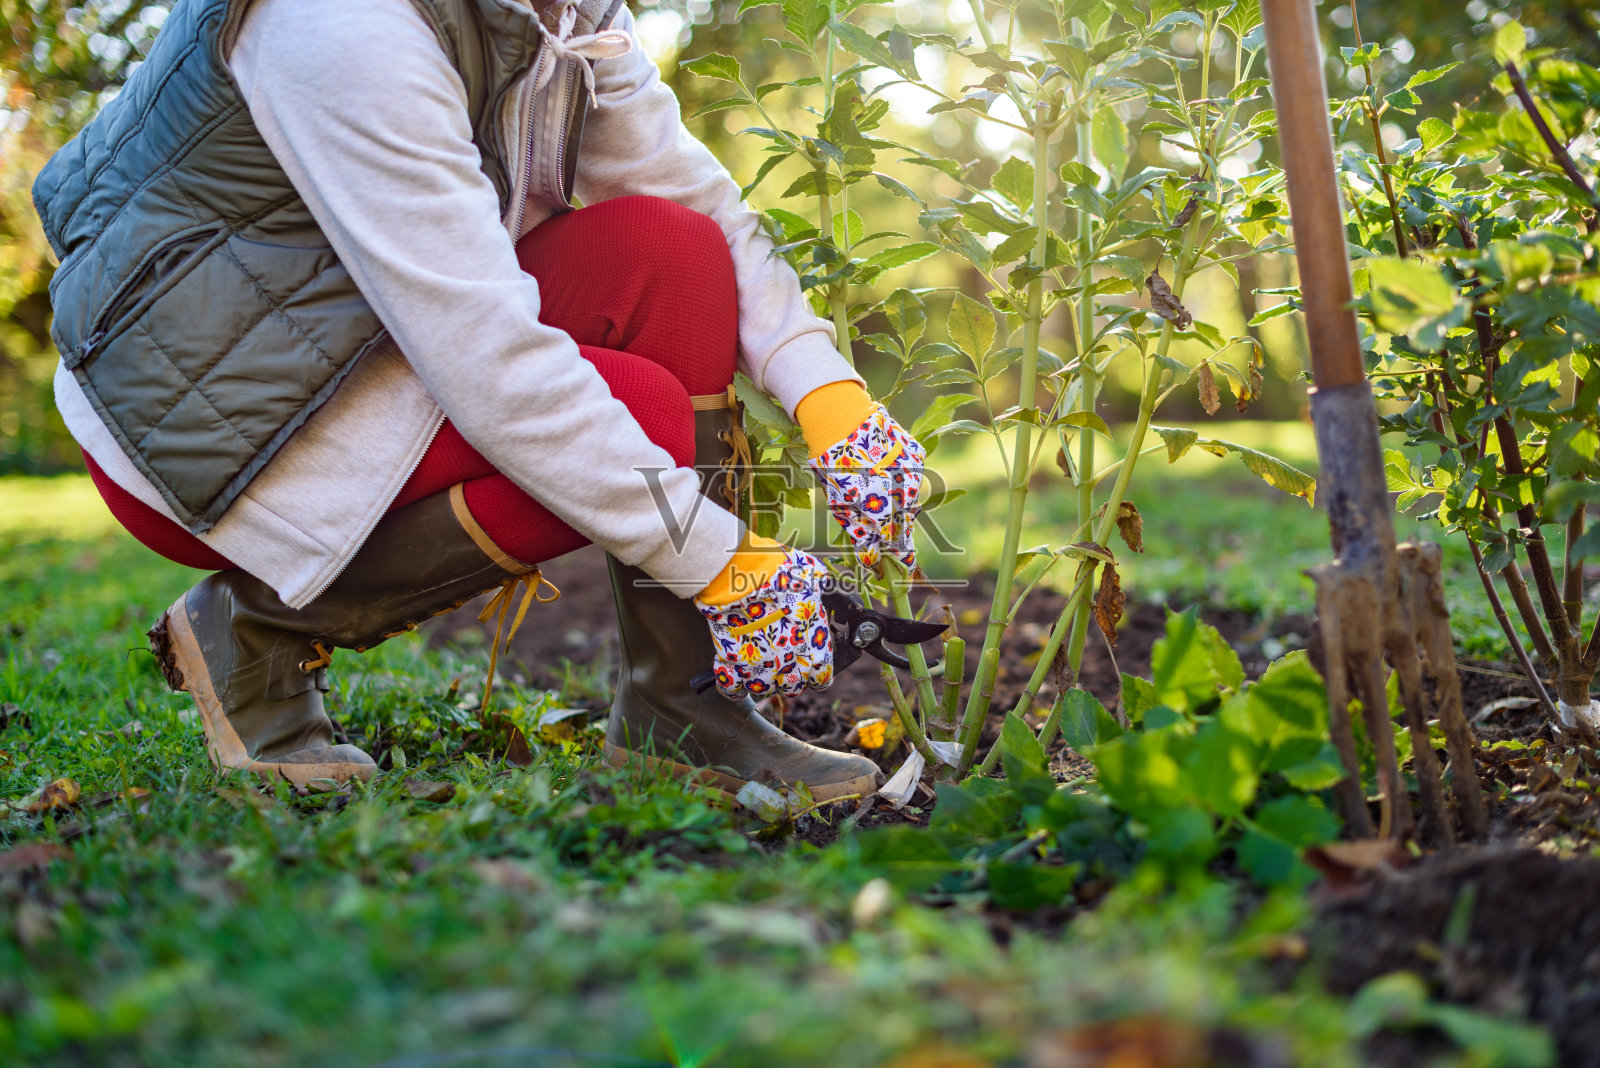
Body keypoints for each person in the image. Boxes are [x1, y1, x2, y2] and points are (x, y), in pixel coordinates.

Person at [32, 0, 927, 802]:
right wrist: (728, 566)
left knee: (674, 256)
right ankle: (254, 625)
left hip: (369, 332)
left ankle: (680, 713)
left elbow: (696, 201)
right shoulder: (340, 24)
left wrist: (829, 397)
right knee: (639, 419)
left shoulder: (562, 9)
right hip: (210, 410)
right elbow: (491, 362)